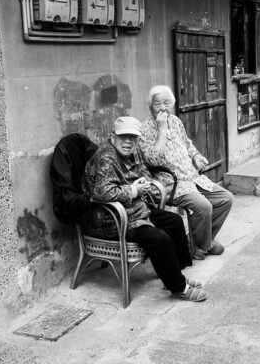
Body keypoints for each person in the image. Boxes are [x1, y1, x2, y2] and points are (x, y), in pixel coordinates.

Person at [83, 116, 208, 302]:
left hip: (134, 208)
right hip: (111, 218)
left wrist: (145, 182)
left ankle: (174, 276)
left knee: (173, 222)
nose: (128, 142)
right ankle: (178, 287)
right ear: (112, 137)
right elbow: (103, 193)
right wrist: (133, 189)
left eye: (132, 138)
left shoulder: (133, 152)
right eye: (123, 136)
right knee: (160, 238)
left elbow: (144, 171)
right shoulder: (106, 158)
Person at [140, 85, 233, 260]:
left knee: (226, 199)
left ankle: (202, 241)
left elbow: (188, 144)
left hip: (192, 178)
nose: (162, 107)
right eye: (157, 103)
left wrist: (196, 156)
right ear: (150, 106)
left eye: (166, 103)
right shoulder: (144, 130)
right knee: (204, 207)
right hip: (171, 184)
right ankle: (200, 246)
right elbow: (152, 160)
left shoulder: (175, 121)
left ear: (172, 105)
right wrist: (161, 131)